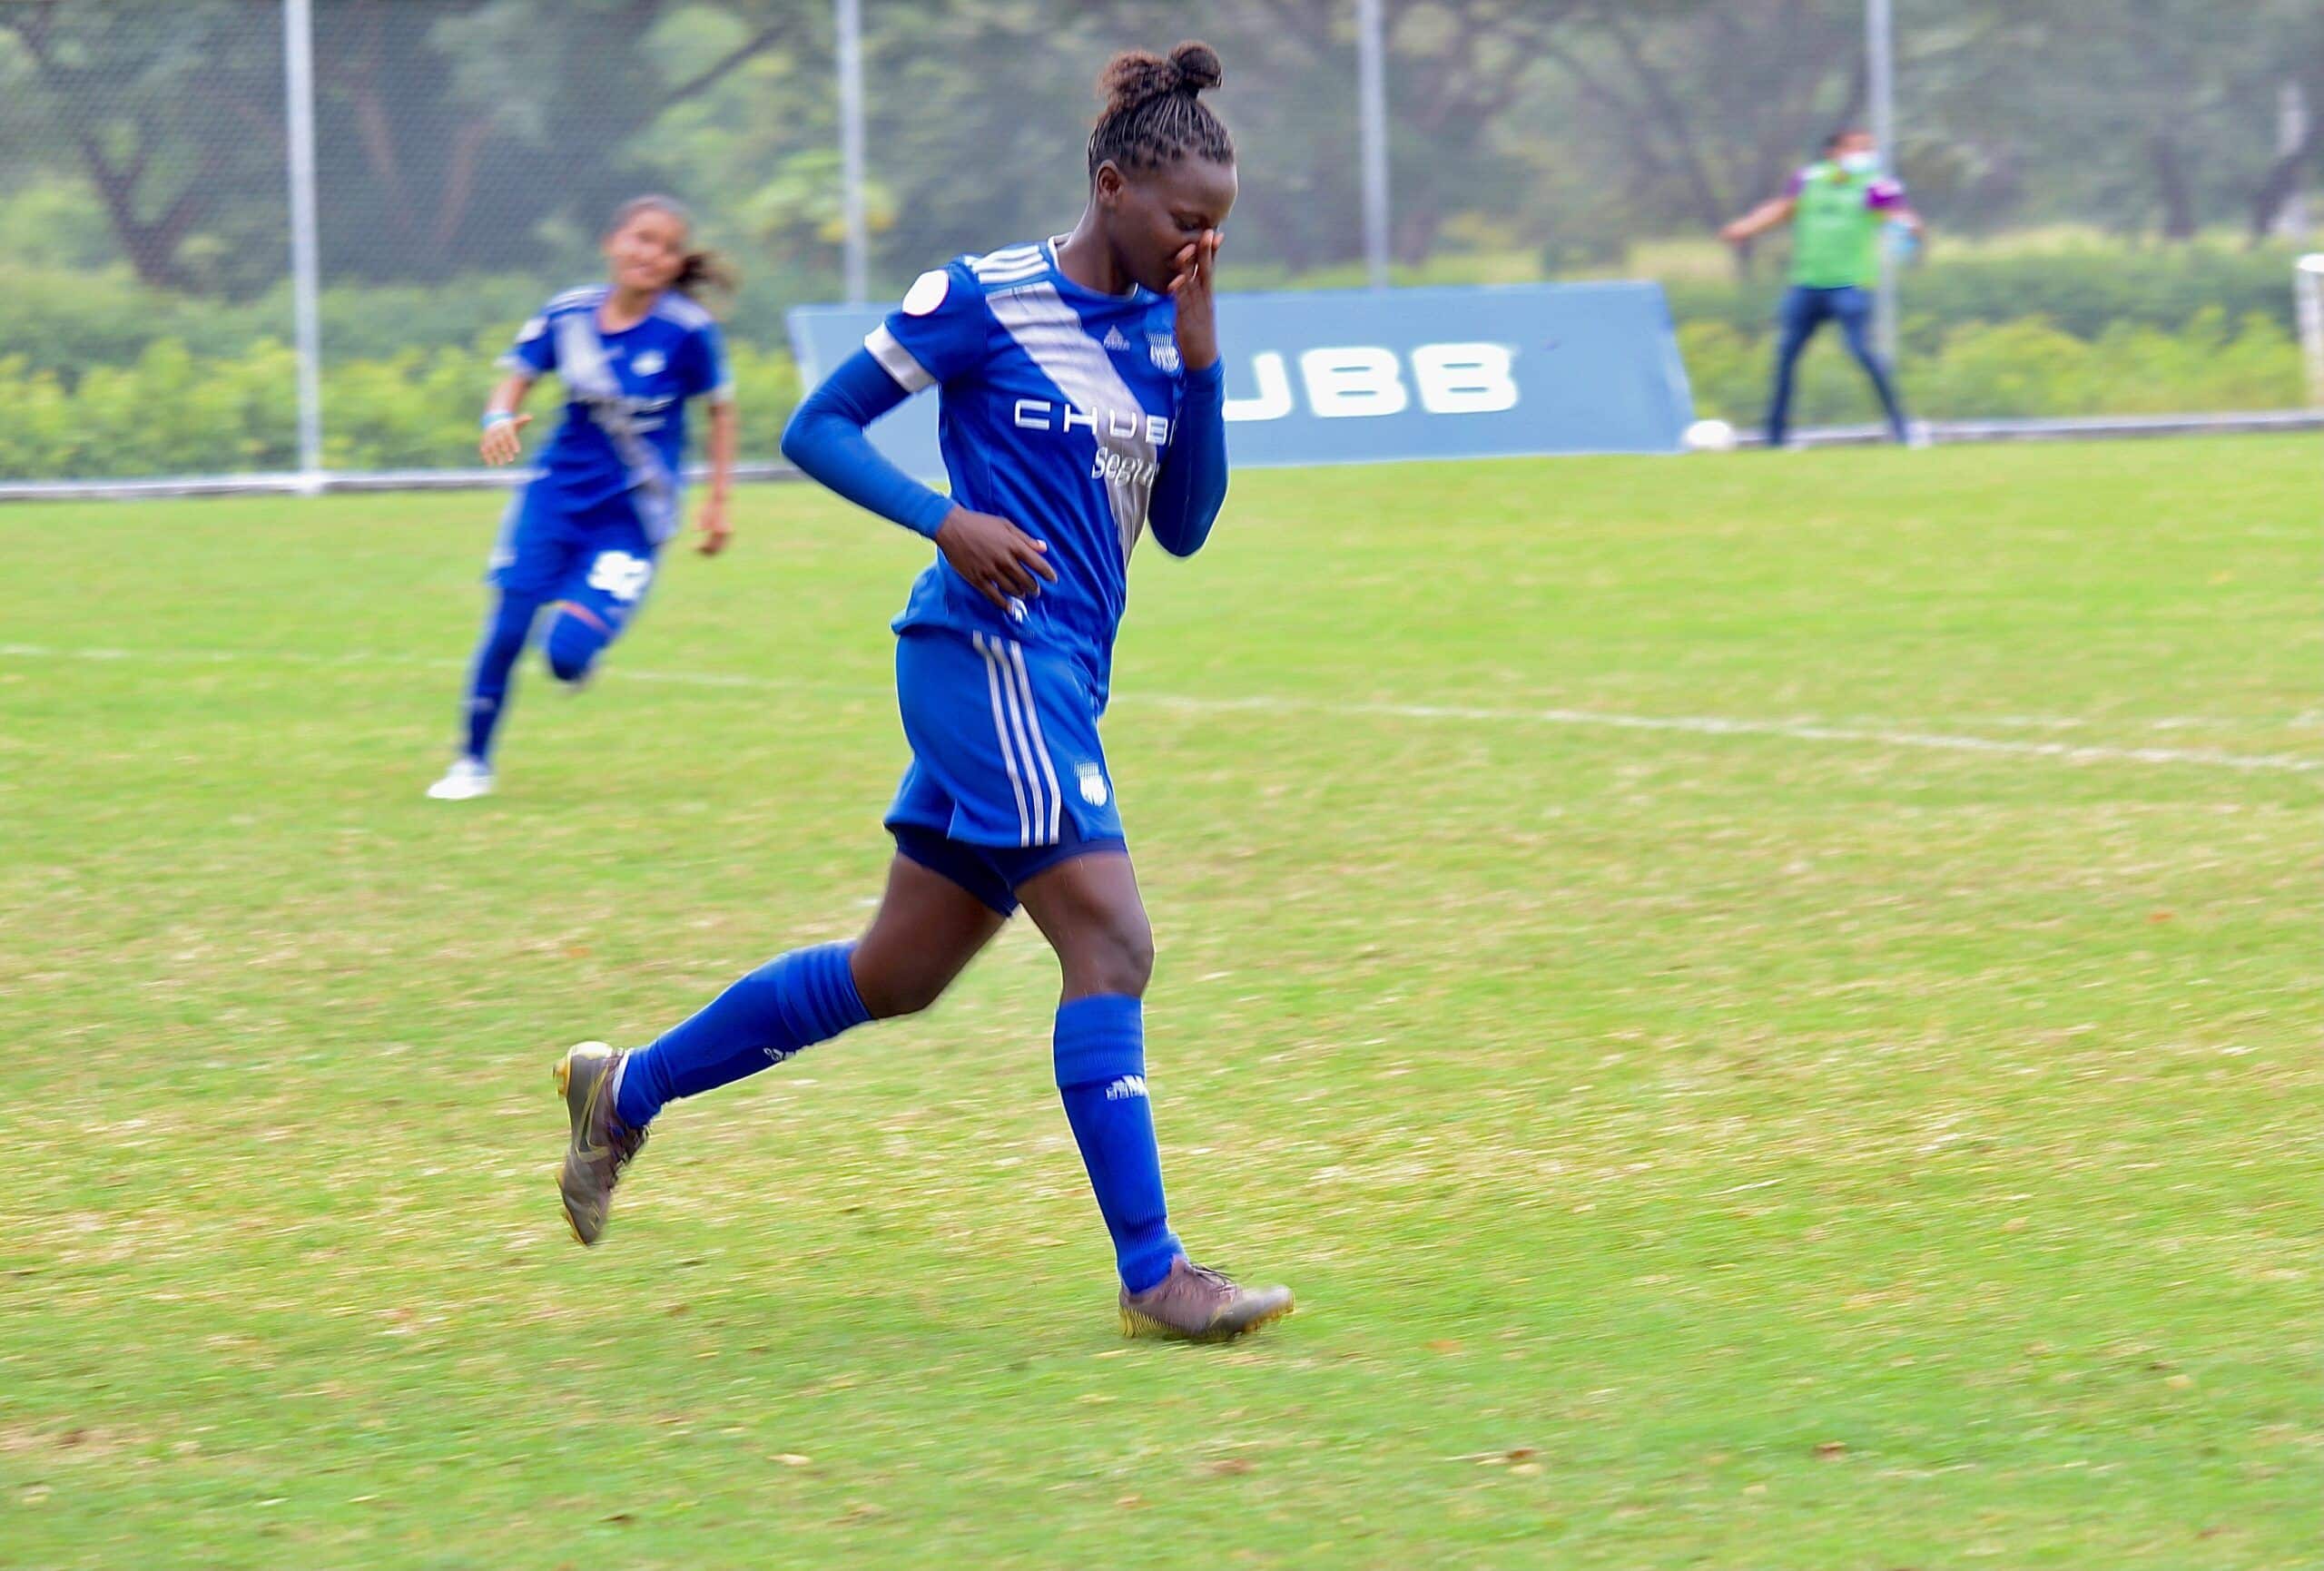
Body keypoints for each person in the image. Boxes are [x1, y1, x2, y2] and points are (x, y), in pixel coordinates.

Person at [550, 41, 1294, 1344]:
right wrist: (946, 517)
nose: (1199, 247)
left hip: (1059, 676)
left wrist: (1203, 360)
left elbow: (1184, 526)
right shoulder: (984, 297)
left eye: (1218, 231)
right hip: (981, 652)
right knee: (1111, 941)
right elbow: (817, 427)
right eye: (1186, 221)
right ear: (1113, 185)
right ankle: (1156, 1272)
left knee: (897, 971)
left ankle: (627, 1089)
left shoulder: (1166, 335)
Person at [426, 196, 739, 800]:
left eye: (669, 247)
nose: (653, 254)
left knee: (565, 655)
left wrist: (717, 502)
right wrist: (498, 416)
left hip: (633, 519)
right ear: (612, 243)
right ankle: (471, 762)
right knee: (508, 626)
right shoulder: (567, 314)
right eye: (642, 238)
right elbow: (516, 375)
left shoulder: (688, 332)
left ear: (678, 265)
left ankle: (578, 652)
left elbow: (720, 410)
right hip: (553, 501)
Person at [1721, 127, 1925, 449]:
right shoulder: (1809, 180)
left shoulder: (1874, 185)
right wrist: (1745, 228)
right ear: (1833, 153)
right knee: (1786, 355)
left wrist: (1911, 230)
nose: (1864, 155)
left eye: (1868, 149)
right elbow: (1781, 209)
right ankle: (1775, 440)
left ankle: (1903, 430)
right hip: (1806, 285)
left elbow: (1901, 217)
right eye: (1856, 148)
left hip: (1851, 286)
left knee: (1861, 351)